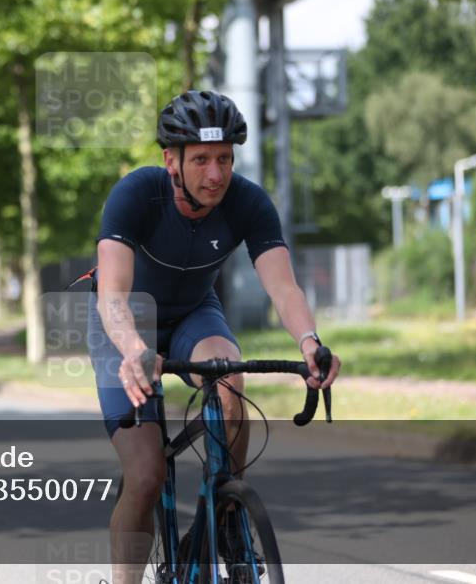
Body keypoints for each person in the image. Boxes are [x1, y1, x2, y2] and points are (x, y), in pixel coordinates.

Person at [89, 90, 341, 583]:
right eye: (201, 159)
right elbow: (112, 295)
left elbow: (283, 285)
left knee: (229, 377)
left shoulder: (246, 201)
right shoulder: (137, 193)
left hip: (194, 314)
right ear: (171, 161)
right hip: (127, 322)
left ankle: (227, 513)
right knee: (145, 475)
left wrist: (310, 343)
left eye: (224, 158)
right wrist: (136, 350)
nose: (215, 174)